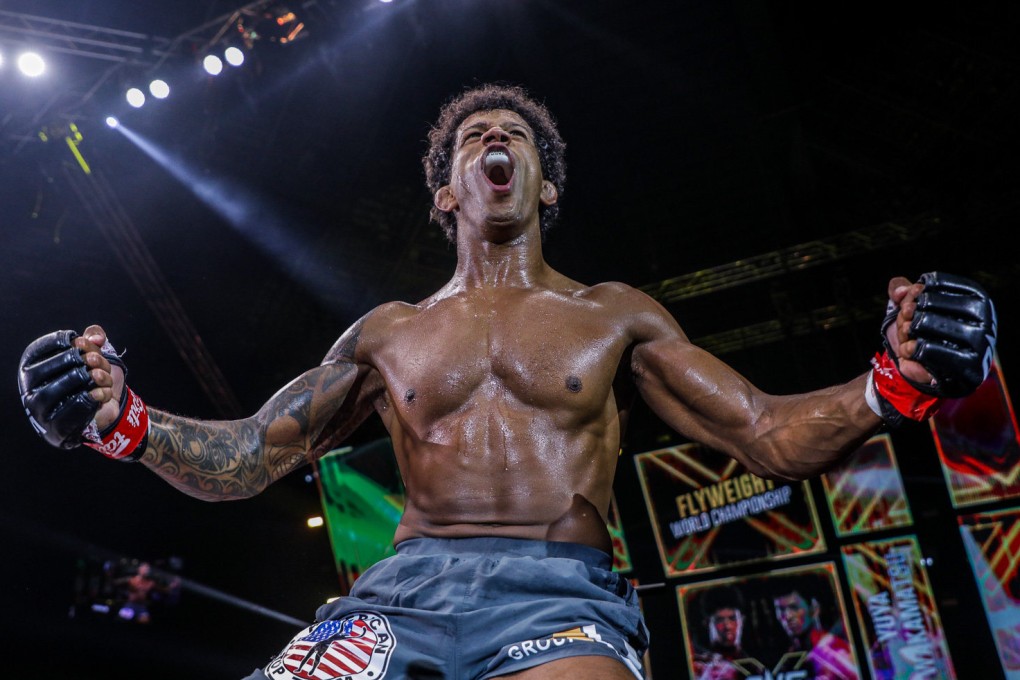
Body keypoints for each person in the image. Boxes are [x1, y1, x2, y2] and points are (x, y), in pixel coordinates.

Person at [17, 83, 997, 680]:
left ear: (545, 182)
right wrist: (124, 421)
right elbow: (247, 454)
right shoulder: (387, 334)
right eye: (476, 132)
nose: (498, 136)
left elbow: (765, 432)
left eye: (517, 133)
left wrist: (892, 385)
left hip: (556, 594)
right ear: (447, 188)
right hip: (395, 597)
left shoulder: (618, 312)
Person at [771, 577, 857, 680]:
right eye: (781, 609)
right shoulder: (790, 653)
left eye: (794, 607)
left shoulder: (830, 648)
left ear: (814, 609)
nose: (788, 616)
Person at [692, 586, 751, 680]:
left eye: (733, 618)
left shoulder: (755, 666)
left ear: (742, 621)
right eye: (719, 620)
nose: (728, 626)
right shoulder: (697, 665)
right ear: (707, 624)